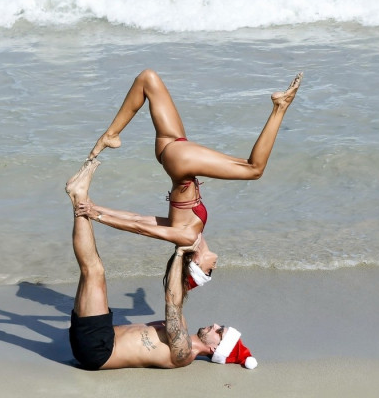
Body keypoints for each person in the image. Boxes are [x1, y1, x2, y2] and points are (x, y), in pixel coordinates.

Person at [75, 68, 302, 295]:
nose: (213, 268)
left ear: (196, 264)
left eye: (207, 272)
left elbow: (140, 227)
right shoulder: (188, 232)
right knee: (148, 79)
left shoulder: (186, 238)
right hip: (172, 153)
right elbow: (139, 218)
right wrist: (95, 208)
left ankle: (280, 107)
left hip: (180, 163)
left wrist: (98, 216)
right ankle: (110, 135)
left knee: (254, 169)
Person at [65, 158, 257, 370]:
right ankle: (81, 199)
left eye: (219, 332)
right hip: (99, 337)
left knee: (94, 271)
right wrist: (94, 209)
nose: (216, 325)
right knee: (92, 271)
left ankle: (78, 196)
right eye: (221, 327)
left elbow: (172, 302)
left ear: (215, 349)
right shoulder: (181, 328)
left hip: (97, 350)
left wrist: (180, 253)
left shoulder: (183, 353)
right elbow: (140, 221)